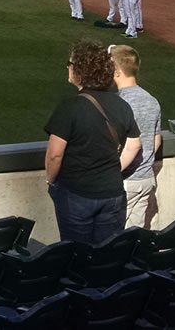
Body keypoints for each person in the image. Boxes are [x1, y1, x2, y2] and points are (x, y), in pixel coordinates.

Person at [45, 41, 141, 245]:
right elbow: (134, 143)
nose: (68, 68)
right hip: (113, 193)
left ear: (79, 70)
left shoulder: (70, 107)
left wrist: (51, 181)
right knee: (106, 257)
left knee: (77, 257)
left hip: (76, 194)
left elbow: (54, 154)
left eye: (70, 64)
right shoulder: (122, 105)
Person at [110, 44, 163, 229]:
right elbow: (155, 141)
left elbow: (128, 145)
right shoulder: (151, 99)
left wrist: (112, 173)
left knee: (112, 238)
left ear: (116, 71)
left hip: (125, 181)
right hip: (146, 179)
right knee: (134, 238)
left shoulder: (118, 102)